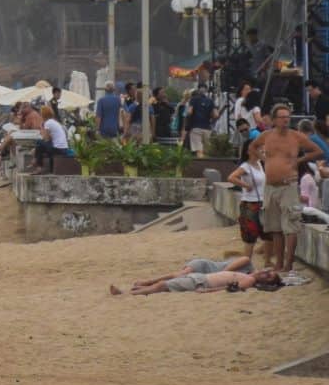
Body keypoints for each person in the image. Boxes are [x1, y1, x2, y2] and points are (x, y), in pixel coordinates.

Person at [247, 102, 323, 277]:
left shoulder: (296, 136)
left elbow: (317, 151)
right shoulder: (266, 135)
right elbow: (252, 146)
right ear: (274, 119)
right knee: (275, 227)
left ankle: (289, 263)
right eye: (282, 117)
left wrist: (299, 160)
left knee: (290, 226)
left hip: (289, 184)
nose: (285, 120)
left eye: (287, 117)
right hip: (270, 186)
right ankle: (279, 262)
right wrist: (262, 158)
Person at [111, 267, 282, 296]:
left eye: (268, 276)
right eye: (268, 272)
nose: (265, 272)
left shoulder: (249, 280)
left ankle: (127, 293)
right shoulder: (251, 275)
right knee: (165, 283)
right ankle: (133, 290)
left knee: (163, 286)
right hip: (201, 279)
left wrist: (207, 291)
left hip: (202, 283)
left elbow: (230, 288)